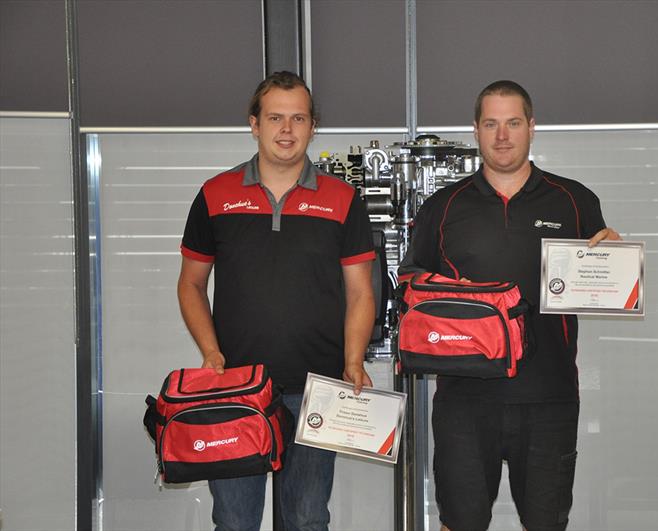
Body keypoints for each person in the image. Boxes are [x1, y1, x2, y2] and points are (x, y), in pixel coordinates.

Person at [398, 80, 620, 531]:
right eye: (491, 124)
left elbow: (603, 275)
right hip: (463, 400)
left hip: (549, 397)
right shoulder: (442, 207)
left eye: (513, 123)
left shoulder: (575, 200)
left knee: (547, 523)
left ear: (532, 127)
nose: (503, 136)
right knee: (460, 522)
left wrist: (615, 258)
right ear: (476, 131)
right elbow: (409, 285)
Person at [177, 71, 375, 531]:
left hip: (315, 390)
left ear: (312, 127)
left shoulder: (343, 199)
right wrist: (210, 353)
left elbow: (361, 290)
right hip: (236, 389)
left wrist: (353, 359)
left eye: (298, 119)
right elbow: (190, 285)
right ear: (254, 124)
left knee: (307, 520)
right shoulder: (214, 195)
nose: (287, 130)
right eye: (275, 118)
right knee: (234, 521)